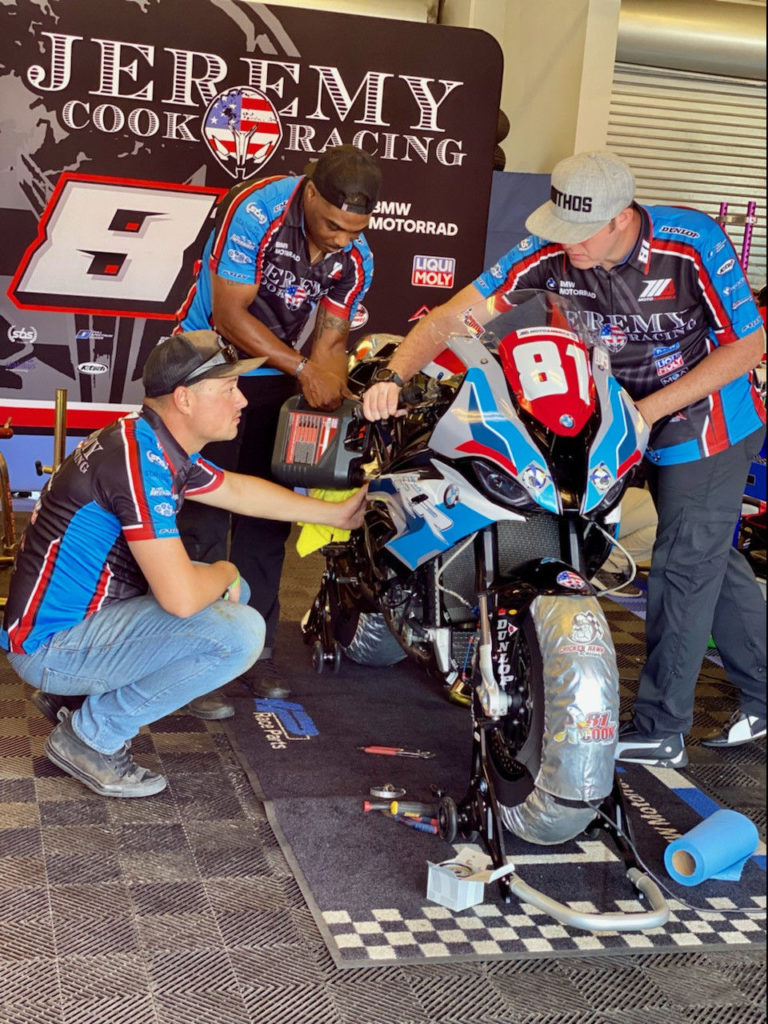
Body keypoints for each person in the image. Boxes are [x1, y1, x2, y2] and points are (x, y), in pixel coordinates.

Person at [363, 150, 766, 768]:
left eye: (582, 234)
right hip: (617, 412)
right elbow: (454, 315)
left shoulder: (693, 243)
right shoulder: (549, 245)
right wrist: (393, 373)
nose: (567, 245)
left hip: (704, 415)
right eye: (560, 228)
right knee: (708, 551)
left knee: (685, 559)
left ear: (622, 219)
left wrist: (651, 411)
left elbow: (747, 346)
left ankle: (662, 728)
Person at [0, 331, 367, 798]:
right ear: (184, 398)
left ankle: (72, 696)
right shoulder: (139, 463)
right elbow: (179, 597)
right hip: (50, 647)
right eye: (228, 388)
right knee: (239, 631)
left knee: (232, 598)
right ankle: (91, 736)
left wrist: (335, 513)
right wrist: (227, 572)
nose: (243, 399)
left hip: (66, 628)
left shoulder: (148, 441)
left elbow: (235, 489)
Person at [175, 144, 380, 704]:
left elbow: (332, 339)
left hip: (275, 377)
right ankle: (192, 652)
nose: (341, 238)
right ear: (310, 192)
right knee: (204, 512)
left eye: (354, 230)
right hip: (207, 362)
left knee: (269, 519)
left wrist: (328, 388)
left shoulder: (354, 257)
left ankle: (251, 652)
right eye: (334, 224)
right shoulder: (257, 210)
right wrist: (303, 368)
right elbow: (229, 312)